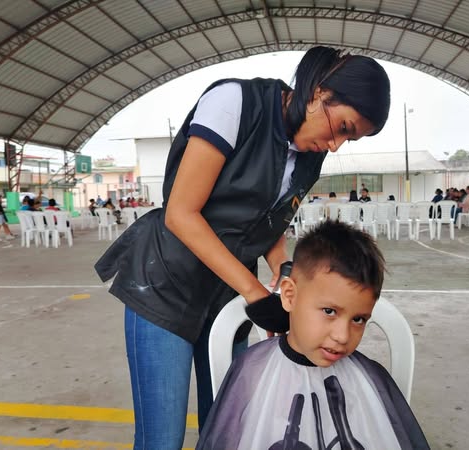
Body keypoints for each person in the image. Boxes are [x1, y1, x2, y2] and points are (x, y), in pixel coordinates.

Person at [94, 46, 391, 449]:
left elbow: (270, 221)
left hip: (225, 294)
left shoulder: (311, 152)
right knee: (162, 439)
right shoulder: (235, 103)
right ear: (319, 92)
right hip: (164, 285)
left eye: (349, 139)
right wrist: (255, 293)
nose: (336, 145)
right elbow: (180, 214)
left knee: (225, 429)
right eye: (342, 127)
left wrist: (285, 271)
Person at [197, 221, 429, 449]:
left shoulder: (371, 380)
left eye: (358, 319)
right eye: (329, 311)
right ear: (289, 296)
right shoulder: (252, 371)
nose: (342, 336)